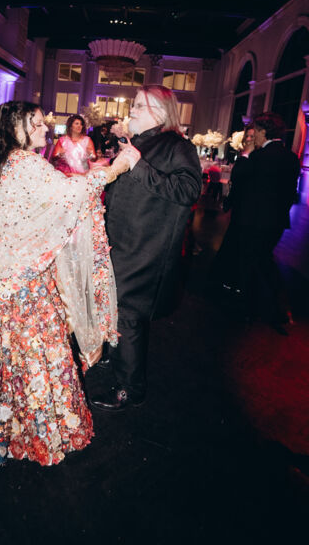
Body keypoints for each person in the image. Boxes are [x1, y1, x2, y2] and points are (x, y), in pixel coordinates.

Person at [0, 101, 129, 466]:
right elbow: (72, 193)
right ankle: (18, 426)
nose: (46, 129)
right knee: (26, 349)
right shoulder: (26, 162)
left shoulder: (0, 160)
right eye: (37, 123)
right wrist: (117, 168)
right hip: (20, 277)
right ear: (18, 127)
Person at [91, 85, 202, 412]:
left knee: (127, 315)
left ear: (161, 112)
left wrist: (138, 165)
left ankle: (130, 388)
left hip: (145, 249)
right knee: (115, 308)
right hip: (122, 243)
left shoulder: (177, 145)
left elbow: (189, 189)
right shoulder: (139, 142)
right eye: (135, 104)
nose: (132, 110)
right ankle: (116, 357)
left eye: (141, 105)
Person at [236, 112, 300, 332]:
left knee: (251, 262)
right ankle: (277, 308)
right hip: (276, 222)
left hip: (252, 220)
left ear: (263, 131)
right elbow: (290, 193)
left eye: (256, 131)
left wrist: (245, 154)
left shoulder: (258, 156)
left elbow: (239, 178)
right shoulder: (291, 157)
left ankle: (249, 310)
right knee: (264, 259)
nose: (254, 136)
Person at [212, 125, 255, 293]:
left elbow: (239, 177)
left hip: (249, 210)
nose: (248, 139)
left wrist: (245, 155)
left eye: (252, 136)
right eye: (247, 136)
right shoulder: (247, 157)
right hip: (240, 209)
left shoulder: (254, 158)